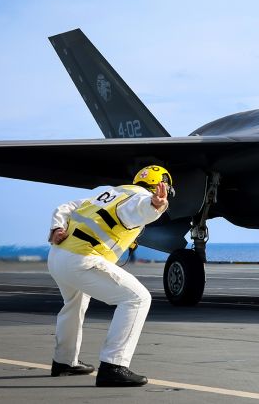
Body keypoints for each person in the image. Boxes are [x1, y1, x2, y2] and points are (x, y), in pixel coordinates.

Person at [46, 165, 174, 387]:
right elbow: (140, 208)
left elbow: (66, 206)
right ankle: (113, 366)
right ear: (161, 186)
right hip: (81, 259)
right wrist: (156, 205)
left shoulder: (111, 191)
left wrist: (57, 228)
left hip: (58, 256)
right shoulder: (140, 197)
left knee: (74, 304)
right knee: (137, 298)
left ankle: (64, 362)